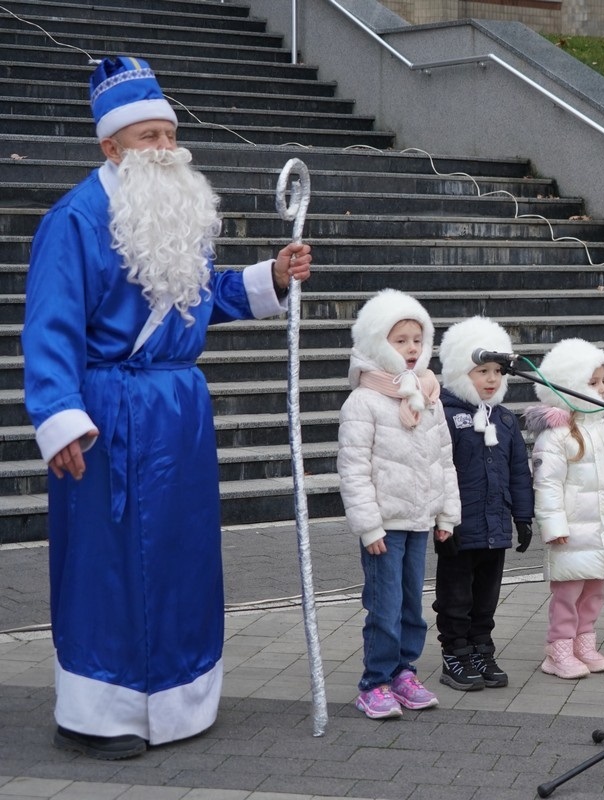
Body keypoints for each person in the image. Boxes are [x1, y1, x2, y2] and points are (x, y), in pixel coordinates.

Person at [21, 56, 312, 760]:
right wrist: (58, 414)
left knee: (182, 557)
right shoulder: (75, 219)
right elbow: (49, 324)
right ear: (110, 146)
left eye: (169, 134)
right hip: (107, 417)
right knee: (107, 563)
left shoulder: (177, 213)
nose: (164, 148)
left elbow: (200, 291)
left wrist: (269, 277)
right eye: (147, 136)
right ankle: (101, 711)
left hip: (178, 415)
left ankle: (180, 704)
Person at [337, 289, 461, 719]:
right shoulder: (364, 401)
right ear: (376, 344)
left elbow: (444, 459)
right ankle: (375, 681)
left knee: (412, 602)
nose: (410, 348)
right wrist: (368, 525)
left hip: (418, 518)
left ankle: (404, 671)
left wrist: (446, 513)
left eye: (416, 339)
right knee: (384, 604)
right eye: (399, 339)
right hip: (384, 524)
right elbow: (353, 468)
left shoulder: (428, 397)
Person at [432, 316, 534, 691]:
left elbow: (519, 472)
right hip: (458, 527)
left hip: (495, 528)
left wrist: (523, 517)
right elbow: (438, 472)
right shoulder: (444, 416)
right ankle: (454, 652)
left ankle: (481, 648)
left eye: (497, 371)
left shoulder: (505, 420)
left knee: (486, 596)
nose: (491, 379)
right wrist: (444, 520)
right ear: (461, 372)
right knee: (455, 595)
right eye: (481, 371)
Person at [525, 338, 604, 679]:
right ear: (570, 385)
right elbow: (547, 483)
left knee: (594, 591)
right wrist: (554, 525)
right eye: (592, 382)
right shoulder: (557, 435)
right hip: (573, 531)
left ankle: (584, 642)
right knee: (568, 592)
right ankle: (558, 649)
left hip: (603, 528)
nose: (602, 388)